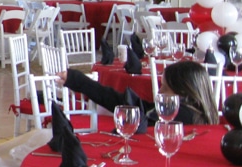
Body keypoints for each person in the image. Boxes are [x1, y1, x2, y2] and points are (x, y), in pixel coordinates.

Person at [56, 59, 219, 125]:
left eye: (165, 88)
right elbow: (127, 106)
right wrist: (77, 80)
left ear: (182, 92)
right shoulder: (192, 113)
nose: (159, 92)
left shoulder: (179, 117)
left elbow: (135, 117)